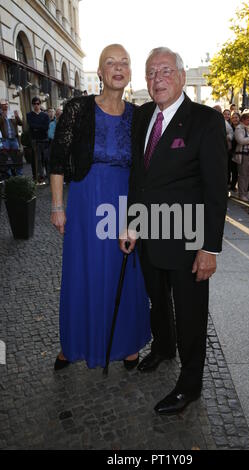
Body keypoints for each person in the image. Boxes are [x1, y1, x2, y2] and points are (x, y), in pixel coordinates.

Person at [120, 47, 227, 415]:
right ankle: (163, 347)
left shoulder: (205, 121)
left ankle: (190, 384)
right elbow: (139, 178)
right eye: (151, 72)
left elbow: (216, 190)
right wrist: (132, 224)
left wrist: (209, 248)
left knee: (191, 312)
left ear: (182, 76)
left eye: (165, 70)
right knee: (157, 299)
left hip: (188, 239)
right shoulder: (143, 116)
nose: (157, 78)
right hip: (149, 236)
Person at [49, 44, 150, 371]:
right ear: (101, 71)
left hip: (123, 205)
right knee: (84, 273)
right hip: (85, 202)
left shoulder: (138, 117)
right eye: (111, 62)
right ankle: (74, 343)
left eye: (124, 62)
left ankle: (128, 342)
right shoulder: (78, 109)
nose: (118, 68)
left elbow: (146, 168)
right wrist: (56, 205)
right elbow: (58, 160)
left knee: (126, 272)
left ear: (130, 72)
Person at [27, 97, 50, 183]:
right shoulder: (29, 115)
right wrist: (39, 126)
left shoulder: (45, 115)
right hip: (35, 140)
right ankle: (40, 176)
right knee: (38, 159)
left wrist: (37, 127)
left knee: (46, 159)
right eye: (34, 104)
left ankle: (48, 176)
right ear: (32, 105)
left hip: (44, 139)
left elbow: (46, 127)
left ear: (40, 104)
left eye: (38, 103)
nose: (36, 105)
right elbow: (31, 125)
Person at [0, 100, 23, 176]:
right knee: (6, 158)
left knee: (17, 157)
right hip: (5, 140)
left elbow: (21, 123)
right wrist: (2, 118)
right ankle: (9, 176)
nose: (5, 105)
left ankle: (19, 175)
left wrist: (17, 116)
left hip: (14, 139)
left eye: (6, 104)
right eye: (3, 104)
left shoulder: (11, 113)